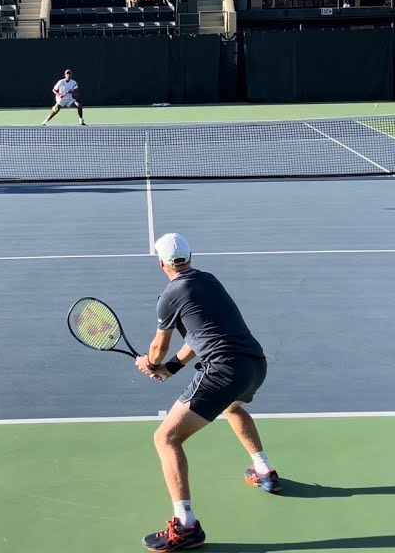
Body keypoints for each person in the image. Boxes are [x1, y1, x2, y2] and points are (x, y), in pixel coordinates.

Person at [135, 233, 278, 551]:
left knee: (166, 439)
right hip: (254, 365)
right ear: (190, 258)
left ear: (161, 264)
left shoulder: (170, 294)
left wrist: (152, 362)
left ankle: (186, 526)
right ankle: (264, 470)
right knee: (232, 408)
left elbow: (159, 346)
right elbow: (202, 334)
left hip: (223, 371)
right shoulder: (208, 281)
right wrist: (172, 368)